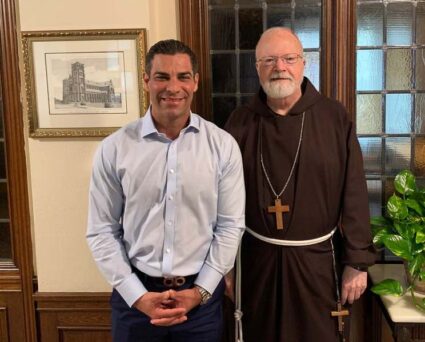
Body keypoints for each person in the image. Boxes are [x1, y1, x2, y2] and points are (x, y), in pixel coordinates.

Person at [86, 39, 245, 342]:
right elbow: (101, 231)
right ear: (146, 80)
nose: (173, 87)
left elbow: (229, 226)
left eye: (183, 76)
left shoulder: (222, 147)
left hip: (200, 303)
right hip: (134, 300)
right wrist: (137, 295)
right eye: (162, 76)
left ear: (195, 82)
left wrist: (200, 292)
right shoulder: (115, 148)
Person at [224, 27, 376, 342]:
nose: (279, 67)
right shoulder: (239, 123)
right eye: (268, 60)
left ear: (303, 64)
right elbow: (221, 202)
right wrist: (225, 265)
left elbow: (355, 193)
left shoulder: (334, 118)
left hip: (319, 264)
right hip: (257, 264)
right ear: (257, 68)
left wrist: (357, 262)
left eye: (288, 58)